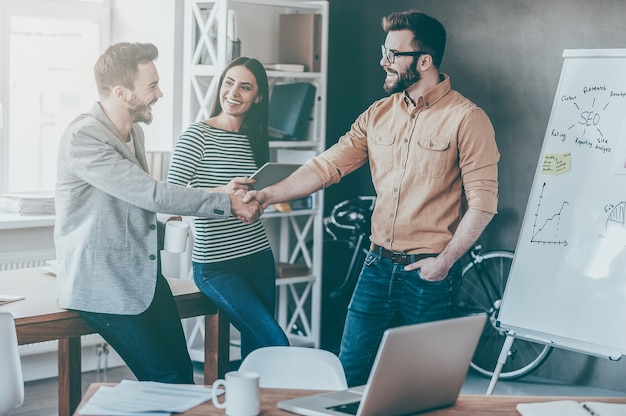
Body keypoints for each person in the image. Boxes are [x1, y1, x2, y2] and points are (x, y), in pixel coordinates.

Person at [244, 10, 500, 386]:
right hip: (376, 266)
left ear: (424, 61)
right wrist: (266, 195)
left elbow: (483, 203)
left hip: (428, 274)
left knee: (425, 385)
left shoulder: (467, 118)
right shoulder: (379, 114)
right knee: (348, 374)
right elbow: (325, 166)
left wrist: (443, 263)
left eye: (394, 54)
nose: (384, 61)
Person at [54, 42, 262, 384]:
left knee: (181, 375)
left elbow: (137, 197)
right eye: (151, 86)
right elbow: (151, 193)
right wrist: (227, 203)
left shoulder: (132, 132)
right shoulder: (84, 138)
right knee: (166, 377)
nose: (160, 93)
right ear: (122, 92)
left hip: (141, 278)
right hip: (103, 285)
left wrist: (219, 191)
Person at [167, 57, 289, 360]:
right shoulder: (197, 136)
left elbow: (249, 197)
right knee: (275, 342)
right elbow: (169, 198)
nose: (234, 92)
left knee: (258, 355)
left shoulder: (253, 139)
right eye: (229, 83)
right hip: (216, 266)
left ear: (258, 97)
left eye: (245, 87)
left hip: (258, 256)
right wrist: (224, 193)